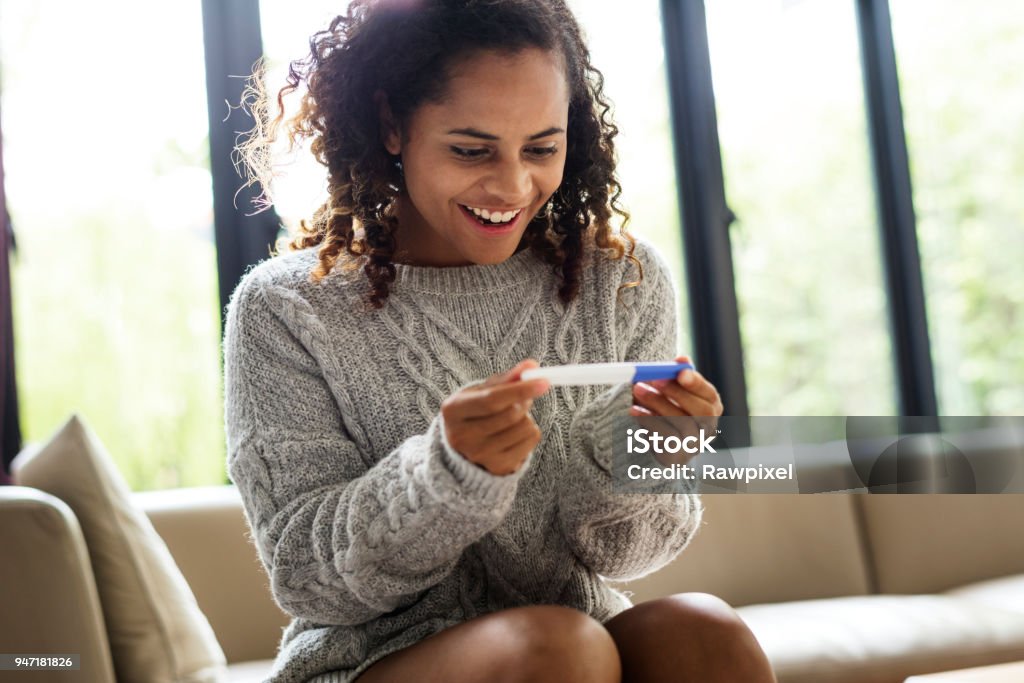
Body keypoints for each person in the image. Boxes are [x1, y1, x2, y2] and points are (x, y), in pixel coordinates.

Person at [224, 1, 776, 681]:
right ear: (393, 125)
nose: (514, 186)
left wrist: (632, 452)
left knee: (702, 630)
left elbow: (632, 556)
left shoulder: (621, 281)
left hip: (576, 642)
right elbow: (307, 578)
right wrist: (444, 475)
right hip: (372, 660)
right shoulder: (286, 307)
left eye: (542, 147)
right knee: (557, 646)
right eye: (471, 149)